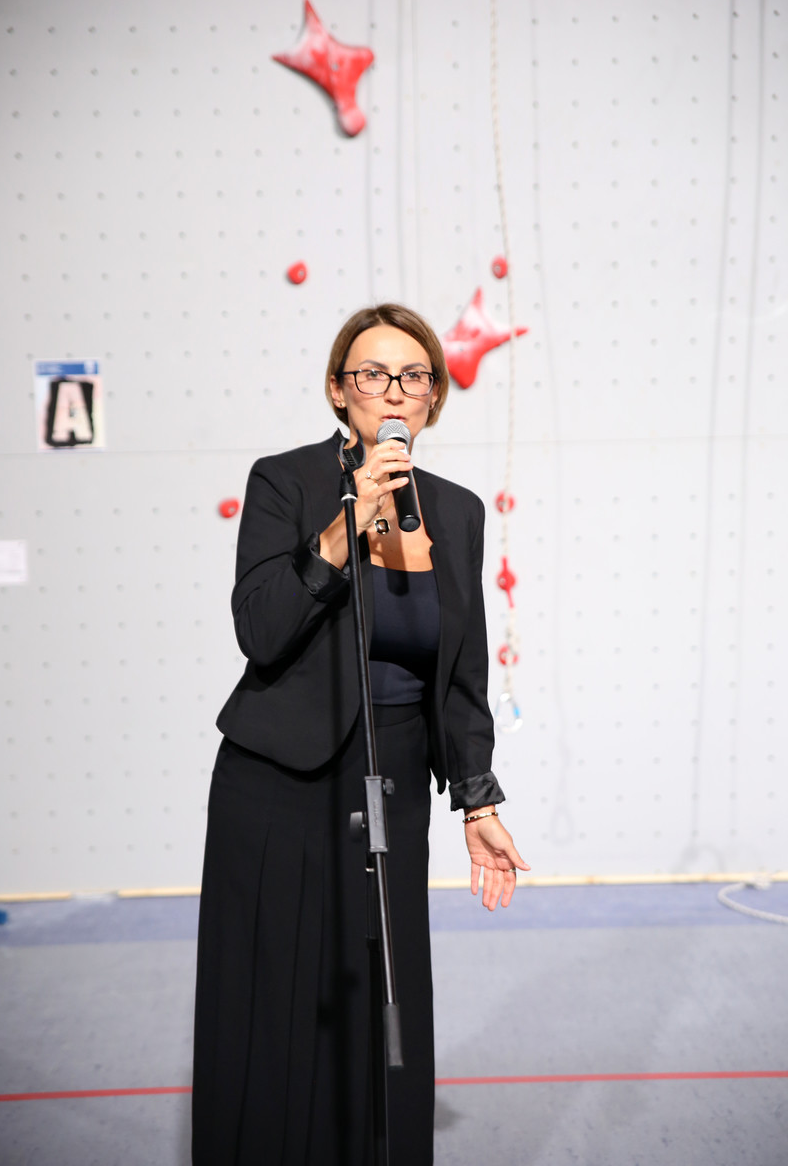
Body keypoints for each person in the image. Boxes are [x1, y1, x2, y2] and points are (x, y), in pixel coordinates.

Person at [192, 303, 529, 1166]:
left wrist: (478, 801)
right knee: (277, 994)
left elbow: (460, 676)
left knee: (385, 995)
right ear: (340, 391)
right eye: (373, 374)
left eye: (414, 376)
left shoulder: (456, 512)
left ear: (433, 398)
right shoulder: (286, 482)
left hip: (394, 779)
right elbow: (261, 630)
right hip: (279, 782)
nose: (395, 391)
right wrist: (348, 525)